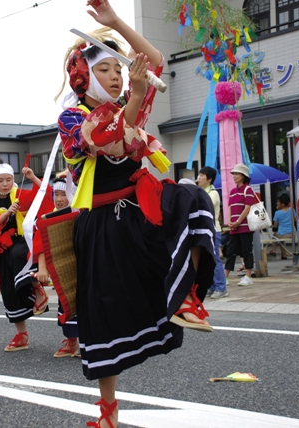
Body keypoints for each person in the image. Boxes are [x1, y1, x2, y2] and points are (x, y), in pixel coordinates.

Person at [57, 2, 216, 426]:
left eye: (118, 69)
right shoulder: (73, 117)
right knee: (102, 318)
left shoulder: (130, 102)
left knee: (192, 198)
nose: (115, 75)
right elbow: (110, 142)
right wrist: (140, 94)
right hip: (102, 225)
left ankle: (185, 296)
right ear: (84, 74)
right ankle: (108, 413)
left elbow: (157, 61)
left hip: (136, 211)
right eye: (106, 68)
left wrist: (115, 24)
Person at [0, 163, 54, 352]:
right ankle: (22, 335)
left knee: (18, 255)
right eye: (1, 180)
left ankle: (37, 289)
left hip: (22, 241)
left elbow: (45, 195)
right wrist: (6, 214)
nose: (5, 184)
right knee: (8, 289)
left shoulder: (21, 195)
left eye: (9, 180)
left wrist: (33, 178)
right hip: (3, 247)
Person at [36, 177, 80, 358]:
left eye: (64, 194)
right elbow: (41, 245)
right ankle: (71, 343)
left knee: (85, 304)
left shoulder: (81, 213)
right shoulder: (49, 217)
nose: (59, 199)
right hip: (62, 269)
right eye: (57, 194)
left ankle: (87, 344)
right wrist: (42, 268)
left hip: (82, 266)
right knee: (65, 302)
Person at [197, 167, 228, 298]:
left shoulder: (213, 193)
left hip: (214, 231)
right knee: (207, 259)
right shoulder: (202, 191)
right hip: (205, 230)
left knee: (215, 260)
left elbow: (203, 205)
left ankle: (221, 288)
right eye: (199, 174)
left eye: (202, 175)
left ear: (209, 179)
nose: (198, 177)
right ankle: (211, 286)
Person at [224, 163, 256, 286]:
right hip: (234, 228)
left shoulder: (248, 189)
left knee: (246, 250)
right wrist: (230, 222)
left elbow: (247, 208)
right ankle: (225, 277)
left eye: (237, 174)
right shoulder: (232, 191)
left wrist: (238, 222)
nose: (234, 176)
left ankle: (248, 276)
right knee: (230, 251)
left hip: (245, 227)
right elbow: (230, 208)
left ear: (243, 176)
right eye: (234, 174)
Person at [270, 193, 295, 259]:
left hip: (282, 234)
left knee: (275, 236)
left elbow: (275, 225)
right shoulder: (292, 210)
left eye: (278, 202)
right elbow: (295, 219)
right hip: (292, 233)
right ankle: (283, 255)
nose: (277, 203)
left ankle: (274, 249)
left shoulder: (277, 213)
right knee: (280, 238)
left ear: (283, 204)